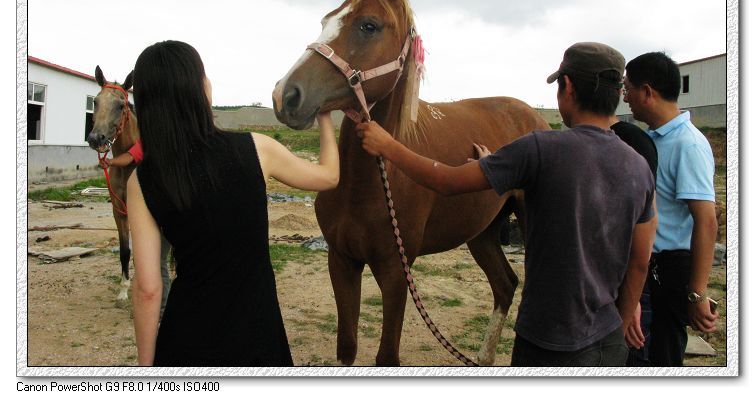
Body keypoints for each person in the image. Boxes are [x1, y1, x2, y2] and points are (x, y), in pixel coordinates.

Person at [357, 42, 657, 367]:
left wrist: (388, 145)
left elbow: (445, 180)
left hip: (547, 339)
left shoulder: (539, 149)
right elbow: (639, 261)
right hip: (607, 339)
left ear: (567, 87)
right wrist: (621, 322)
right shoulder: (638, 166)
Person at [127, 40, 339, 367]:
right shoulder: (257, 148)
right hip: (258, 335)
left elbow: (148, 288)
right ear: (200, 89)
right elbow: (328, 177)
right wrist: (324, 117)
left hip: (184, 342)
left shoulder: (141, 181)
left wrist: (145, 369)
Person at [622, 51, 718, 366]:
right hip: (647, 269)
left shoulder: (687, 145)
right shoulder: (653, 140)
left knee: (659, 358)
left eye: (629, 88)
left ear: (647, 92)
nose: (625, 96)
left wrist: (697, 293)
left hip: (668, 270)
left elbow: (705, 222)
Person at [99, 140, 172, 318]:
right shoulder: (149, 141)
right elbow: (130, 156)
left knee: (158, 262)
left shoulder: (159, 144)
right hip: (162, 213)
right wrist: (111, 162)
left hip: (162, 214)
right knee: (156, 261)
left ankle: (161, 310)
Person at [609, 115, 658, 365]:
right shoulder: (639, 142)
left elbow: (639, 256)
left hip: (625, 283)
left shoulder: (629, 143)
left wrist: (632, 300)